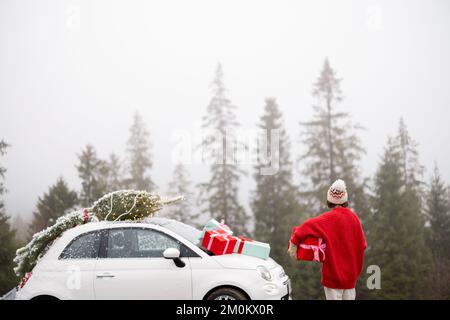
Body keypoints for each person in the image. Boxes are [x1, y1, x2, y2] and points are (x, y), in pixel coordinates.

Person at [288, 179, 366, 300]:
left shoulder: (328, 219)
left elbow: (307, 226)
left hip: (332, 279)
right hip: (350, 280)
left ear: (330, 200)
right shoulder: (354, 219)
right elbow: (362, 245)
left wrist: (294, 242)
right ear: (345, 199)